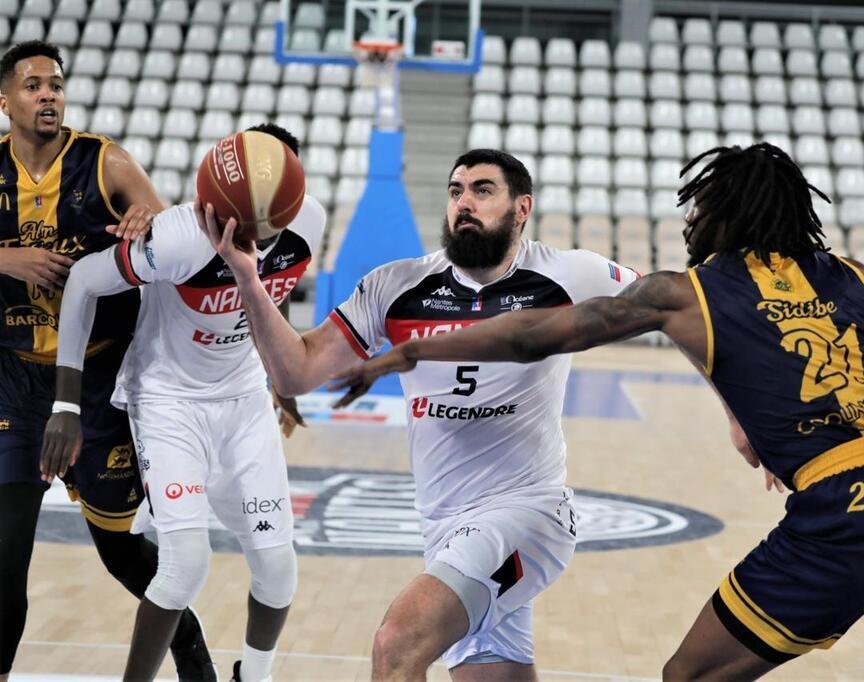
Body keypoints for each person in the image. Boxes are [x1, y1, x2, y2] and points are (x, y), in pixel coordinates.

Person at [332, 143, 864, 681]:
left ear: (728, 213)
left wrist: (412, 355)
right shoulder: (853, 275)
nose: (690, 220)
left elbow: (531, 333)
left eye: (700, 208)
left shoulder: (687, 292)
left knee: (689, 673)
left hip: (848, 507)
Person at [195, 148, 642, 680]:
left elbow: (678, 303)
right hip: (445, 525)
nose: (464, 203)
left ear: (522, 208)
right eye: (456, 192)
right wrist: (248, 279)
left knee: (398, 643)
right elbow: (297, 372)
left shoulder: (570, 274)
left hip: (530, 511)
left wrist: (740, 413)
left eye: (482, 190)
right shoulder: (398, 287)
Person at [41, 124, 323, 682]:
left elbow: (273, 296)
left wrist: (282, 380)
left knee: (277, 568)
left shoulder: (306, 220)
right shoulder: (176, 238)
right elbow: (82, 281)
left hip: (243, 396)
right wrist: (66, 404)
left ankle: (255, 676)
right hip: (169, 399)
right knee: (184, 566)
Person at [0, 40, 214, 680]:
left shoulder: (106, 161)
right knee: (7, 555)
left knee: (125, 556)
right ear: (4, 99)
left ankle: (196, 664)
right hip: (14, 383)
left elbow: (172, 234)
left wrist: (149, 215)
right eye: (34, 84)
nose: (48, 94)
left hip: (96, 382)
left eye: (56, 85)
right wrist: (6, 259)